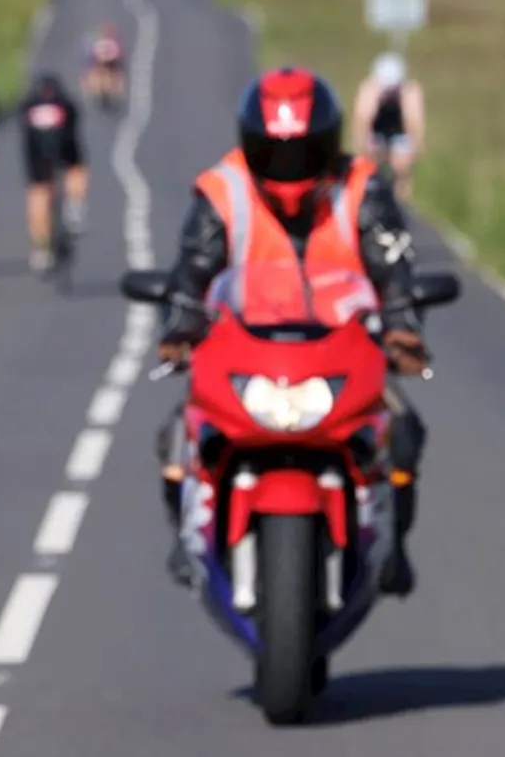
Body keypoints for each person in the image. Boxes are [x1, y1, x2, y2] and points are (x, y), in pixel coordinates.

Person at [152, 66, 431, 593]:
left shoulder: (363, 188)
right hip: (244, 357)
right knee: (177, 436)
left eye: (302, 151)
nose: (288, 166)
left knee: (404, 434)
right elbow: (192, 271)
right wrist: (181, 327)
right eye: (274, 151)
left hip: (342, 358)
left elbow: (395, 271)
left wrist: (402, 330)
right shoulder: (222, 191)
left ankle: (393, 546)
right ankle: (188, 536)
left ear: (327, 144)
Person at [17, 69, 88, 274]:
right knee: (75, 166)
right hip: (65, 146)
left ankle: (40, 249)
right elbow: (75, 126)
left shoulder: (29, 105)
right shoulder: (65, 103)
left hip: (36, 151)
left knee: (38, 190)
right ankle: (75, 206)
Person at [350, 52, 426, 203]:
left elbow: (415, 122)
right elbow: (362, 121)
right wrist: (364, 148)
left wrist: (415, 148)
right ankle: (371, 198)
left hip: (399, 129)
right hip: (377, 127)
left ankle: (401, 205)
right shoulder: (369, 90)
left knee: (401, 167)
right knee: (370, 165)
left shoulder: (410, 91)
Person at [83, 23, 127, 108]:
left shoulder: (112, 43)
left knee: (117, 75)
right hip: (98, 64)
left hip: (110, 64)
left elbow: (117, 54)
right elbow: (91, 55)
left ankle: (117, 92)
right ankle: (91, 92)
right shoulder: (96, 43)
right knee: (91, 75)